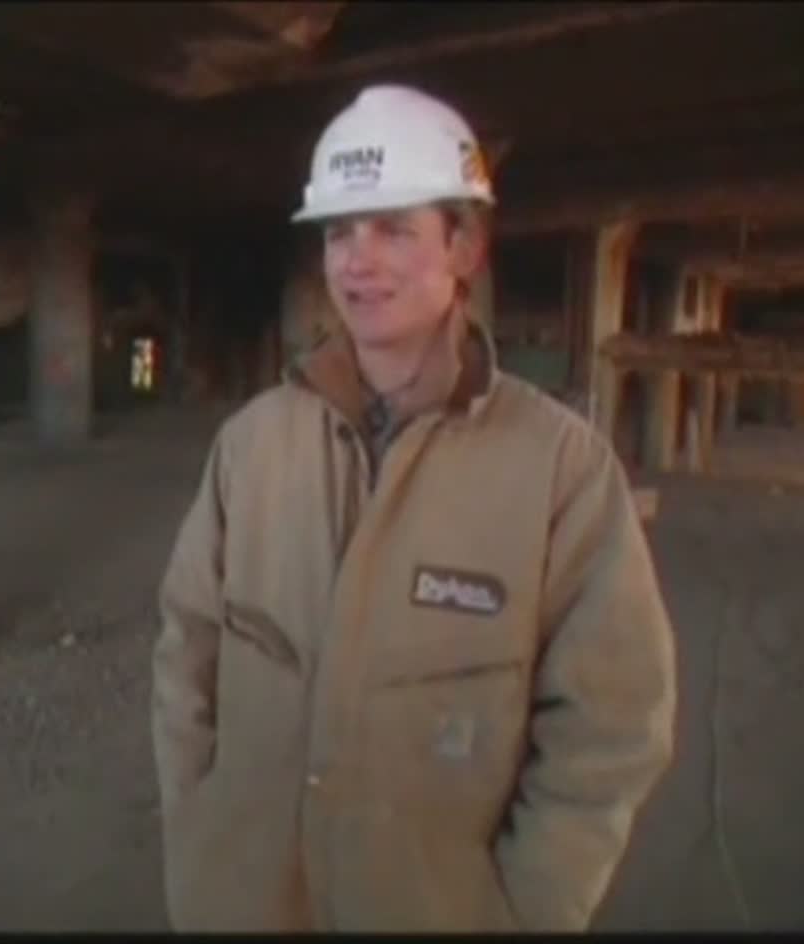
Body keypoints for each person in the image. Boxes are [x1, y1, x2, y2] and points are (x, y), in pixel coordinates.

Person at [151, 83, 677, 932]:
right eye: (339, 233)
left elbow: (611, 725)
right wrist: (198, 832)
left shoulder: (560, 469)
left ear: (465, 246)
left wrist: (523, 908)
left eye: (393, 228)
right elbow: (188, 651)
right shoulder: (252, 446)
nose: (357, 262)